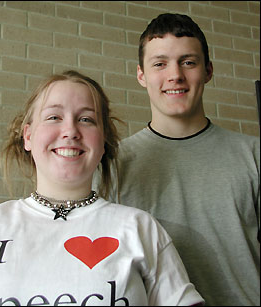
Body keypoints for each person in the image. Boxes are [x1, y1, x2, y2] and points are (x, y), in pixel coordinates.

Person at [0, 70, 204, 306]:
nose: (70, 131)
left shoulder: (140, 229)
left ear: (103, 141)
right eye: (53, 117)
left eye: (86, 119)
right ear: (28, 136)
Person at [93, 13, 260, 306]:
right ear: (141, 75)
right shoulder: (111, 166)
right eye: (160, 64)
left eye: (188, 62)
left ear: (208, 71)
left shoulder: (254, 155)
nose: (175, 75)